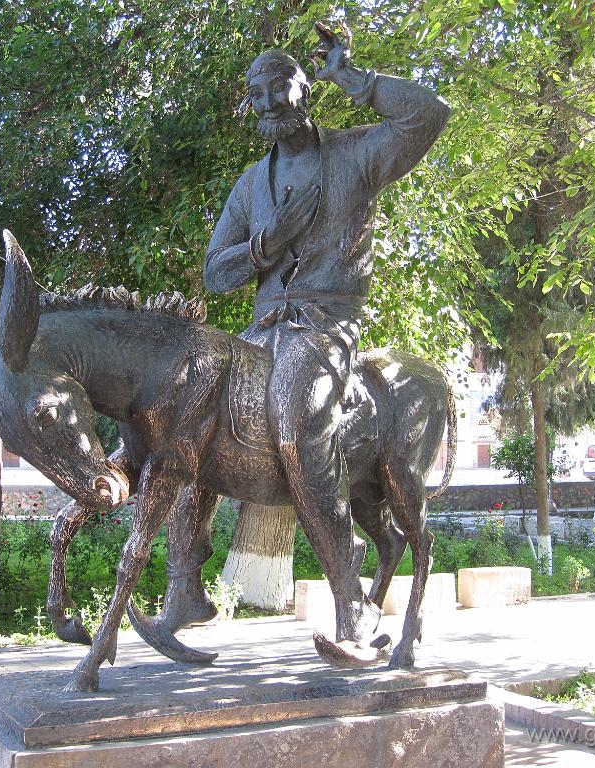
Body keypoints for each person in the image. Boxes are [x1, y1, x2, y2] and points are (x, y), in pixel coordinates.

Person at [203, 21, 449, 641]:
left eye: (276, 89)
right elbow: (214, 274)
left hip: (324, 328)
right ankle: (185, 581)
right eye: (254, 95)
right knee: (191, 406)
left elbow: (430, 115)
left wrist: (354, 77)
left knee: (294, 409)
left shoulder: (356, 155)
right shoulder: (248, 186)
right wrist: (266, 245)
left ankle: (349, 595)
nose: (265, 105)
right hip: (262, 331)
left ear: (304, 88)